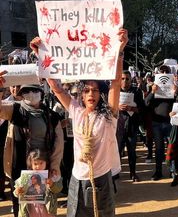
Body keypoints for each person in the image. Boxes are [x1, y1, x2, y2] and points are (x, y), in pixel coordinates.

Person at [30, 28, 128, 217]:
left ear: (101, 94)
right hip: (77, 179)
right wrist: (40, 54)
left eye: (96, 90)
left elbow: (116, 83)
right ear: (81, 94)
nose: (91, 94)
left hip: (101, 179)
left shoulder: (109, 116)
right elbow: (56, 87)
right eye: (87, 90)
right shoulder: (76, 110)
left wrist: (120, 49)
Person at [0, 83, 64, 217]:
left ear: (41, 93)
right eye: (27, 91)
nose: (31, 94)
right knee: (22, 206)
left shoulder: (51, 115)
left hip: (43, 166)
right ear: (22, 94)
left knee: (43, 205)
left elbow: (58, 143)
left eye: (35, 91)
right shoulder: (14, 110)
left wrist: (55, 165)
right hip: (20, 166)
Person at [144, 65, 175, 180]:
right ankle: (158, 172)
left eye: (167, 71)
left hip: (169, 123)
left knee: (171, 148)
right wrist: (152, 92)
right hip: (157, 123)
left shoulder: (173, 87)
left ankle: (173, 171)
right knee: (159, 149)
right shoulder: (153, 87)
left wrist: (176, 93)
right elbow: (146, 103)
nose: (164, 72)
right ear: (158, 73)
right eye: (162, 71)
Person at [14, 149, 63, 217]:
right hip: (30, 209)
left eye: (41, 163)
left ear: (46, 162)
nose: (38, 166)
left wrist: (52, 184)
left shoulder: (52, 175)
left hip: (46, 209)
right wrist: (18, 191)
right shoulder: (25, 177)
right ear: (31, 164)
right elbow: (16, 192)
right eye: (35, 164)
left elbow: (58, 189)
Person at [116, 70, 144, 182]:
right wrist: (117, 107)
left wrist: (132, 108)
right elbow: (109, 107)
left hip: (132, 125)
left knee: (132, 151)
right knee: (117, 150)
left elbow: (142, 108)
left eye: (127, 79)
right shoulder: (115, 91)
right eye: (122, 78)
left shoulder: (136, 91)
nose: (125, 81)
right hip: (118, 126)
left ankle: (133, 173)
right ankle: (116, 172)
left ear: (130, 79)